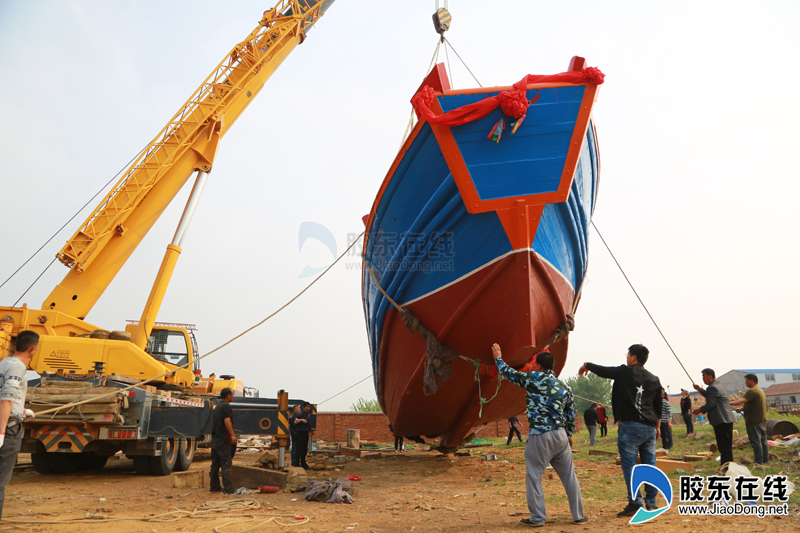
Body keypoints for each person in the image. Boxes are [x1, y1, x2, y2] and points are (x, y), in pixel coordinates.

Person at [492, 344, 587, 527]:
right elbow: (570, 414)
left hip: (539, 435)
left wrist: (498, 357)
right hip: (560, 436)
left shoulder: (533, 379)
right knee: (569, 476)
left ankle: (537, 518)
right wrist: (568, 435)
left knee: (535, 476)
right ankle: (578, 515)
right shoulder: (564, 385)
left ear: (538, 365)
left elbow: (509, 373)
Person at [578, 344, 662, 517]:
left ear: (633, 357)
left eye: (628, 354)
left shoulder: (624, 372)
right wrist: (658, 426)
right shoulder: (654, 379)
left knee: (630, 466)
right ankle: (651, 503)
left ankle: (635, 502)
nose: (626, 357)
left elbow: (604, 371)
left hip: (630, 427)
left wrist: (586, 364)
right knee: (650, 465)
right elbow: (658, 407)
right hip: (649, 428)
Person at [0, 331, 37, 519]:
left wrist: (21, 410)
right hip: (8, 429)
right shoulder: (18, 367)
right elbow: (6, 399)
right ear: (33, 348)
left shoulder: (4, 363)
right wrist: (1, 433)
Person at [693, 368, 735, 467]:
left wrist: (699, 410)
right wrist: (699, 389)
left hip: (721, 420)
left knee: (724, 447)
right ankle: (728, 466)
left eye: (704, 376)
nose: (703, 378)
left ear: (710, 377)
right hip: (727, 419)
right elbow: (709, 396)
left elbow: (710, 404)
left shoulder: (712, 388)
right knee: (727, 446)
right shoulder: (718, 385)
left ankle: (726, 467)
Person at [730, 374, 768, 464]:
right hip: (761, 419)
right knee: (763, 441)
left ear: (751, 380)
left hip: (753, 420)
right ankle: (765, 459)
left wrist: (728, 403)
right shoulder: (760, 390)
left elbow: (742, 400)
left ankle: (758, 461)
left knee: (756, 441)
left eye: (746, 380)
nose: (745, 382)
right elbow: (754, 404)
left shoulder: (752, 391)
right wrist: (742, 409)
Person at [210, 387, 236, 494]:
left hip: (216, 440)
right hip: (224, 440)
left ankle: (214, 486)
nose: (233, 396)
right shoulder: (226, 406)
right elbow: (227, 421)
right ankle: (229, 489)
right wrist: (232, 435)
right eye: (232, 394)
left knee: (215, 464)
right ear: (228, 396)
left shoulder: (217, 407)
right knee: (226, 463)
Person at [292, 402, 312, 469]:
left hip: (305, 433)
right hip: (300, 433)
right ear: (303, 407)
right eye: (307, 407)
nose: (309, 408)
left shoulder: (307, 415)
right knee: (299, 449)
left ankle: (303, 463)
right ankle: (297, 463)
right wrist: (301, 420)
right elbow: (295, 421)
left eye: (309, 407)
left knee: (304, 449)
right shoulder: (300, 414)